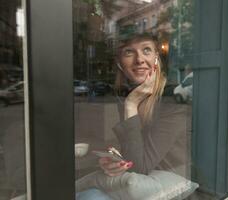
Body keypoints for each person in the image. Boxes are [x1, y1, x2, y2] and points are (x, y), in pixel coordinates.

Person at [76, 34, 190, 200]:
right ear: (120, 63)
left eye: (146, 50)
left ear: (156, 58)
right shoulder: (132, 95)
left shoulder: (170, 101)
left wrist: (130, 105)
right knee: (88, 196)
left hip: (172, 190)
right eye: (129, 52)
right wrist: (114, 162)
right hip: (140, 184)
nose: (139, 60)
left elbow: (139, 167)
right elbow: (132, 152)